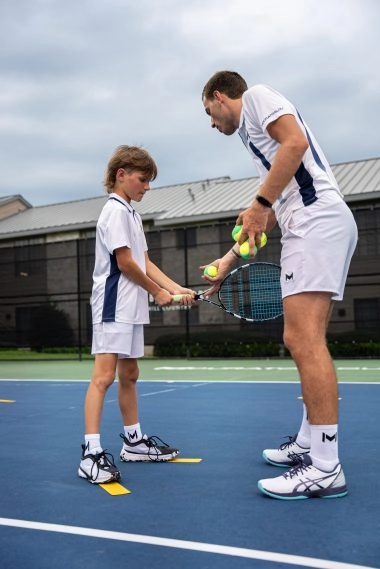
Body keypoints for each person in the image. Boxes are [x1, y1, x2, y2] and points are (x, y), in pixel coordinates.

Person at [201, 71, 358, 500]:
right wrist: (227, 259)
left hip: (316, 222)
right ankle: (309, 445)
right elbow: (265, 215)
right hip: (314, 221)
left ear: (219, 96)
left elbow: (295, 143)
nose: (211, 123)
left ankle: (325, 467)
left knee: (302, 339)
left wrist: (259, 202)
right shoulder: (255, 139)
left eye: (208, 113)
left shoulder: (255, 99)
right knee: (309, 340)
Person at [78, 145, 195, 484]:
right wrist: (157, 292)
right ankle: (90, 454)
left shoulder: (131, 213)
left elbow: (144, 261)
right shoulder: (113, 211)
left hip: (131, 308)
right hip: (112, 305)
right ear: (121, 175)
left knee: (129, 374)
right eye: (143, 180)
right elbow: (125, 263)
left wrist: (177, 287)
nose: (147, 187)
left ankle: (133, 442)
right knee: (103, 377)